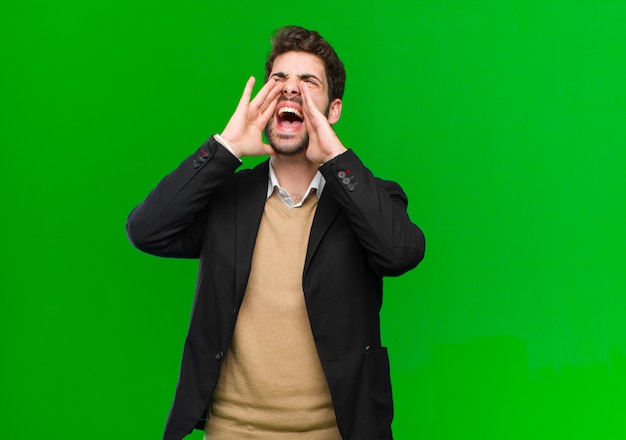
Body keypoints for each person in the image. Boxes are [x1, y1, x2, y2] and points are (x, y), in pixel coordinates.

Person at [126, 25, 425, 440]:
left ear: (333, 109)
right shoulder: (225, 198)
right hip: (232, 430)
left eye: (308, 82)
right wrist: (226, 147)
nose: (291, 91)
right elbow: (146, 230)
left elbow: (400, 252)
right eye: (279, 80)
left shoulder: (368, 198)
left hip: (335, 432)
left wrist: (337, 158)